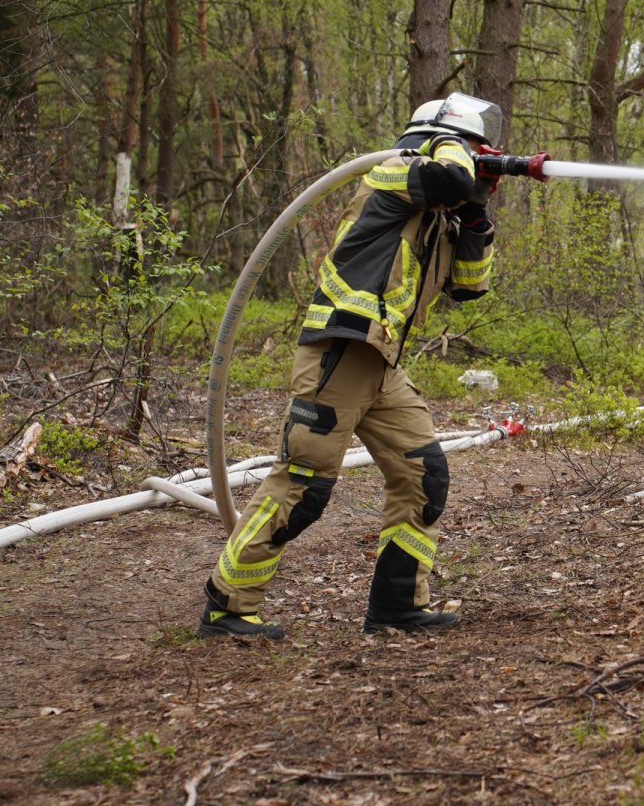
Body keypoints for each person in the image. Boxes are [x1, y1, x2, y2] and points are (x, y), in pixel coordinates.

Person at [197, 93, 509, 639]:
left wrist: (477, 213)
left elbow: (469, 286)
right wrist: (459, 161)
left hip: (381, 364)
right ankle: (228, 606)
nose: (474, 162)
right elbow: (450, 177)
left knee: (423, 475)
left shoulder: (440, 210)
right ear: (441, 142)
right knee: (304, 485)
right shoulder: (394, 174)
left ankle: (397, 606)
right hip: (340, 350)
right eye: (470, 149)